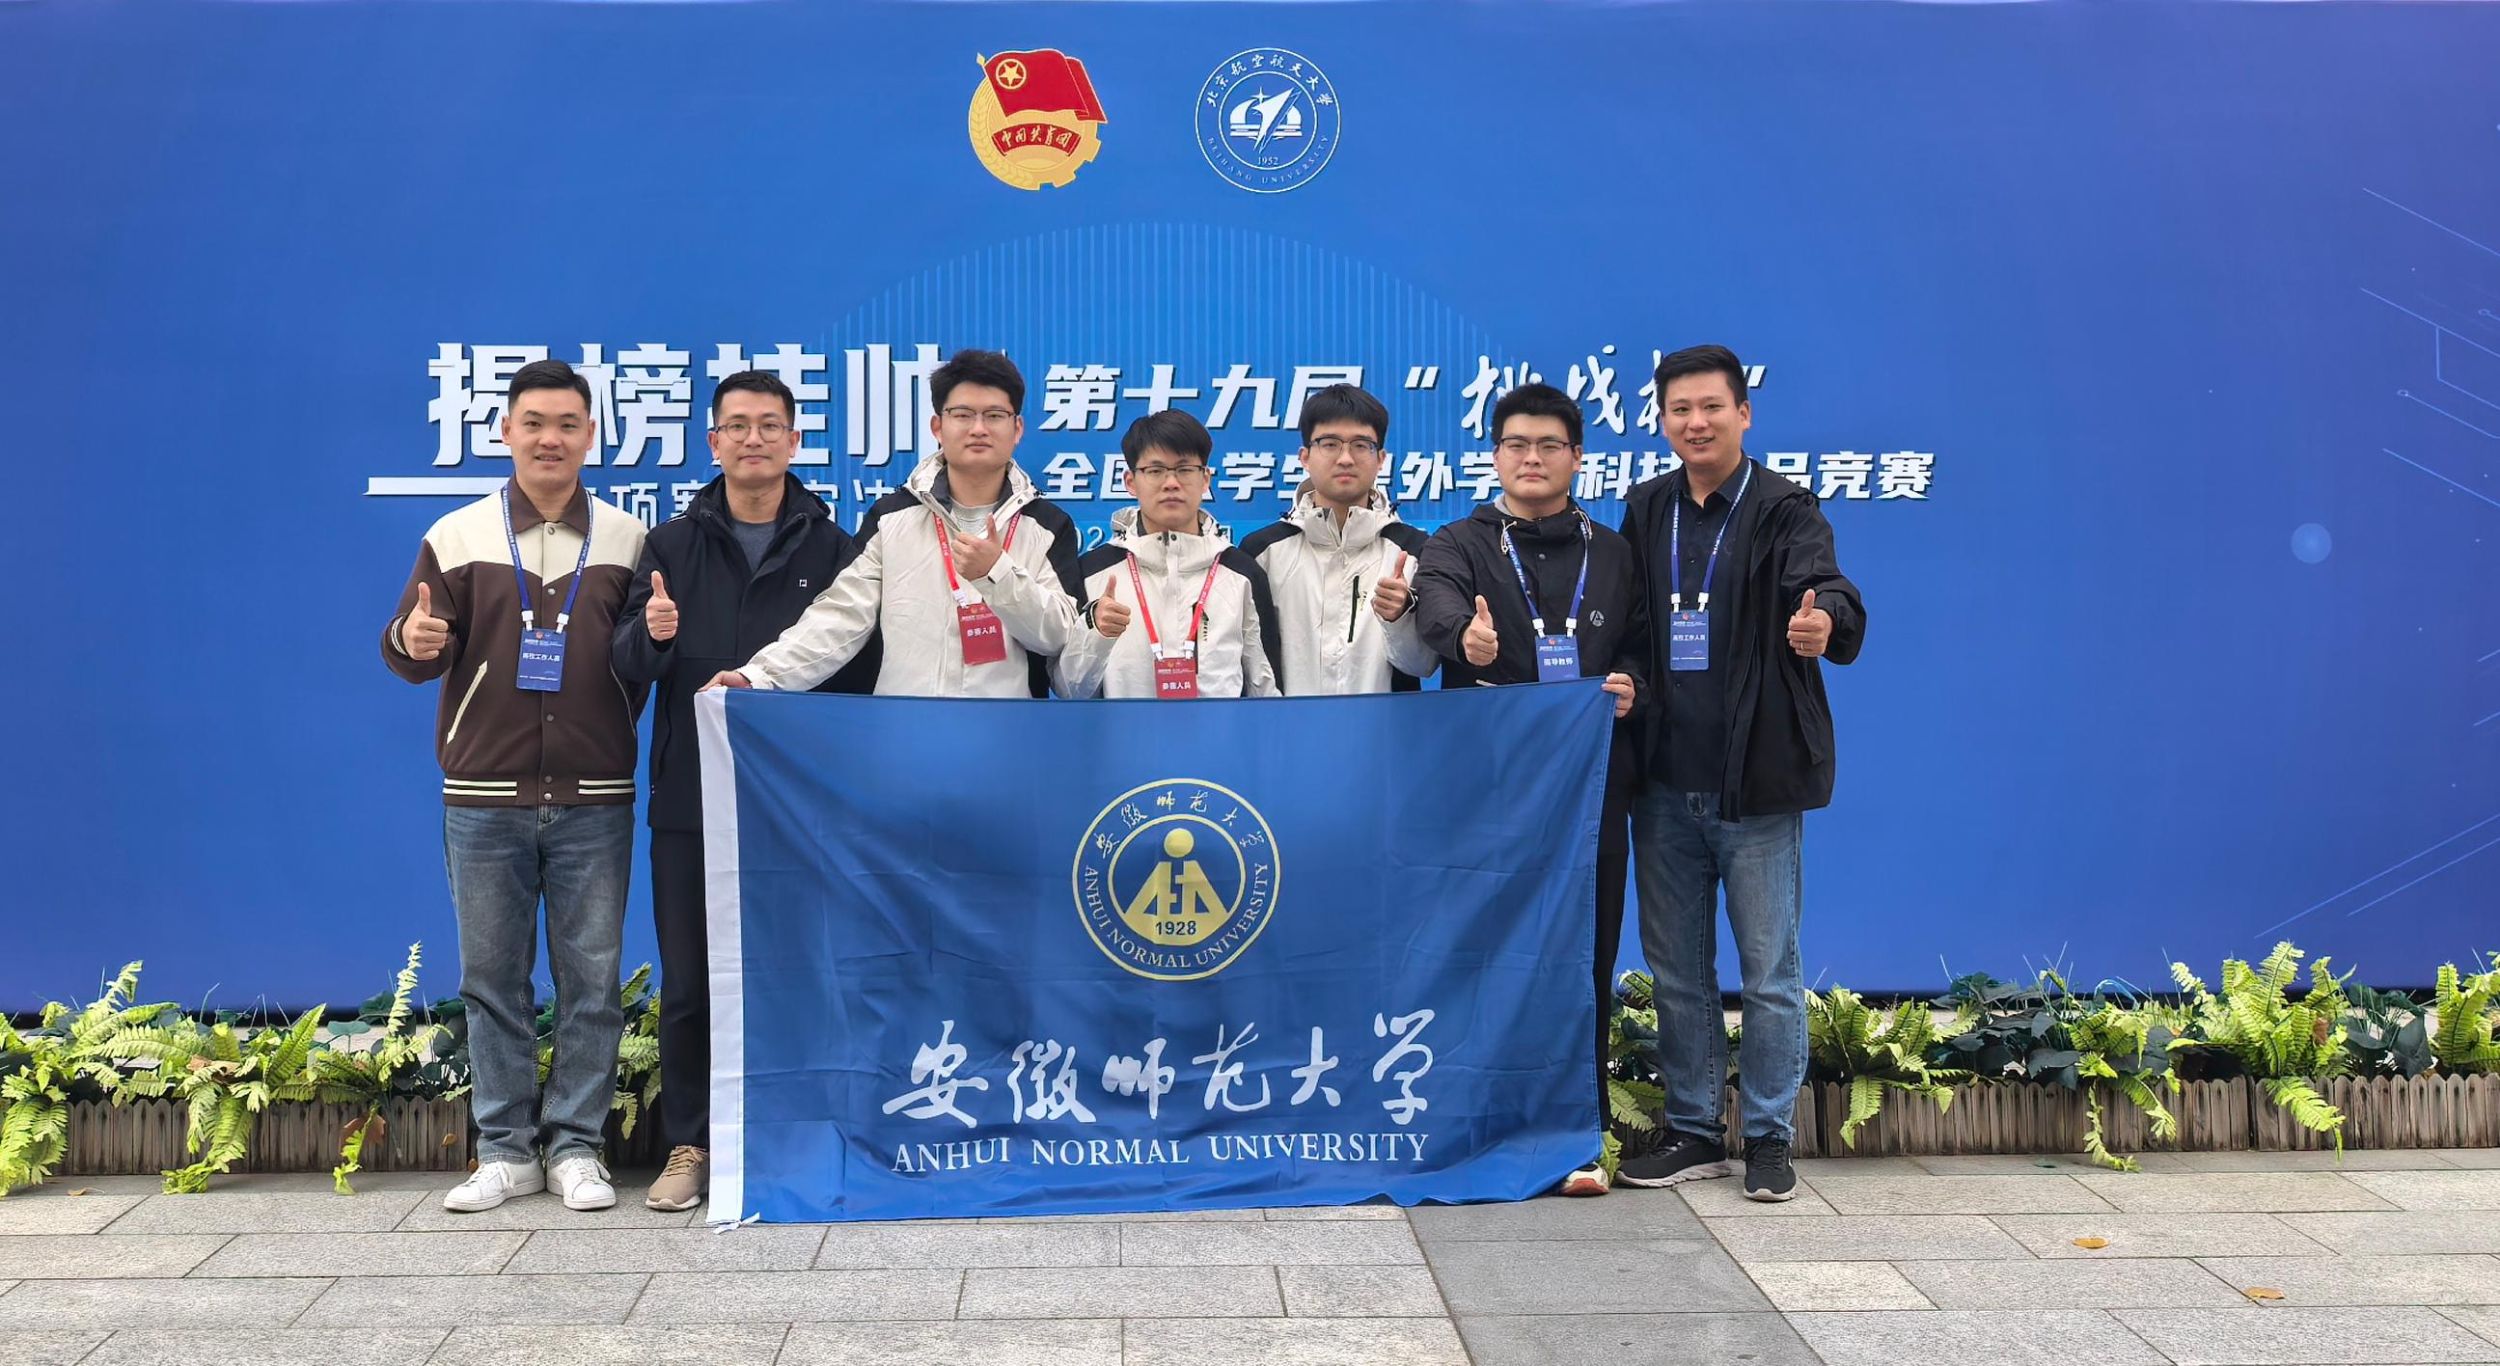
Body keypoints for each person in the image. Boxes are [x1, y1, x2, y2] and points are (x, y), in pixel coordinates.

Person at [380, 358, 646, 1214]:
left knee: (592, 983)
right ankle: (504, 1151)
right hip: (483, 799)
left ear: (591, 436)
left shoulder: (629, 540)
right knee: (492, 980)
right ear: (505, 432)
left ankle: (576, 1149)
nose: (550, 439)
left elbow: (645, 657)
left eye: (568, 424)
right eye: (534, 423)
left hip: (595, 796)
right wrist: (412, 640)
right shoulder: (458, 535)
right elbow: (410, 645)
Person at [610, 370, 872, 1211]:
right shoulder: (670, 546)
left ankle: (800, 1137)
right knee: (691, 982)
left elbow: (861, 672)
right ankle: (691, 1143)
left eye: (769, 426)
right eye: (736, 426)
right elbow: (625, 663)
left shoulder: (837, 550)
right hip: (692, 800)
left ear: (794, 441)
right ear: (713, 442)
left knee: (804, 972)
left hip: (799, 807)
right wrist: (652, 636)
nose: (753, 439)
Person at [1611, 344, 1864, 1204]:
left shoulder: (1785, 509)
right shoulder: (1646, 508)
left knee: (1768, 975)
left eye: (1712, 407)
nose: (1697, 423)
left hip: (1755, 781)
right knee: (1677, 973)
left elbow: (1830, 588)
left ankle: (1767, 1138)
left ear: (1743, 414)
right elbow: (1630, 627)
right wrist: (1625, 681)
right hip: (1662, 782)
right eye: (1680, 409)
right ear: (1662, 420)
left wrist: (1823, 624)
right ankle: (1693, 1130)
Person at [1412, 381, 1644, 1197]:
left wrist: (1634, 683)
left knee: (1584, 955)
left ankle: (1579, 1134)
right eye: (1516, 444)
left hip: (1590, 792)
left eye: (1549, 445)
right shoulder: (1459, 541)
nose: (1532, 458)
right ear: (1495, 455)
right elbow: (1433, 605)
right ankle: (1474, 1122)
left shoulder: (1614, 553)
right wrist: (1464, 638)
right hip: (1487, 792)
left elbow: (1644, 645)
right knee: (1483, 953)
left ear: (1576, 457)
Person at [705, 349, 1083, 697]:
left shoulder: (1048, 526)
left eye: (995, 416)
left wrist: (997, 574)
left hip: (1007, 735)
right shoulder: (890, 519)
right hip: (904, 732)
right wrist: (760, 676)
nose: (978, 428)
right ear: (938, 427)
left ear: (1017, 428)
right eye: (963, 414)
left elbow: (1060, 638)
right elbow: (840, 618)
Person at [1055, 410, 1282, 699]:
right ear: (1130, 481)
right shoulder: (1093, 573)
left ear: (1205, 479)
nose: (1171, 482)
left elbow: (1268, 692)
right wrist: (1096, 633)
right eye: (1155, 470)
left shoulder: (1242, 574)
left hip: (1219, 731)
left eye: (1185, 469)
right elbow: (1068, 691)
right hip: (1126, 730)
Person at [1239, 384, 1437, 694]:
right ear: (1305, 456)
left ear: (1381, 458)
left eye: (1361, 445)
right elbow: (1248, 666)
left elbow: (1422, 665)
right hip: (1288, 724)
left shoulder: (1413, 550)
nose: (1345, 458)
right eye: (1329, 444)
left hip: (1385, 725)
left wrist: (1399, 618)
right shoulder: (1261, 552)